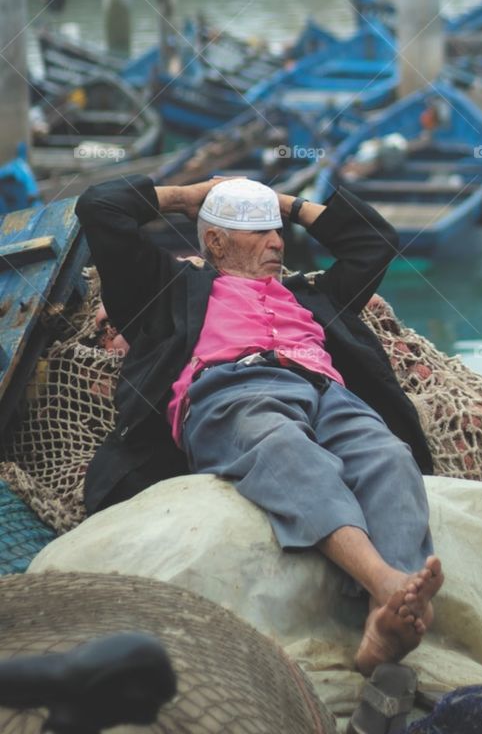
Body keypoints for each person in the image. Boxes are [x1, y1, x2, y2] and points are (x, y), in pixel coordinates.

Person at [75, 174, 442, 675]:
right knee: (285, 447)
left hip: (325, 390)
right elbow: (100, 206)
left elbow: (374, 242)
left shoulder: (311, 294)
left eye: (277, 230)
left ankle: (385, 623)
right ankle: (387, 584)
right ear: (215, 242)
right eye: (259, 231)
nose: (277, 242)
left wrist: (283, 203)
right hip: (232, 392)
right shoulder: (166, 289)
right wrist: (189, 196)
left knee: (390, 456)